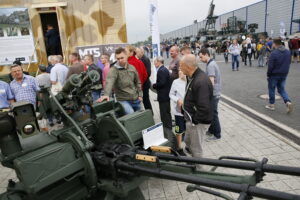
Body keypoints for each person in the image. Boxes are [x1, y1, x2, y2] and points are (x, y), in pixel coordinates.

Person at [179, 54, 213, 166]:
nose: (180, 68)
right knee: (188, 143)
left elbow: (204, 108)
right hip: (192, 121)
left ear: (188, 67)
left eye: (181, 66)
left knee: (196, 150)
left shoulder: (201, 81)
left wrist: (194, 121)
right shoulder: (192, 76)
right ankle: (191, 160)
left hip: (198, 123)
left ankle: (198, 174)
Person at [97, 47, 142, 114]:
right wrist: (106, 94)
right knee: (131, 116)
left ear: (126, 56)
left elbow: (137, 82)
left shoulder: (132, 68)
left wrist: (140, 95)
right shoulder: (113, 70)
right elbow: (109, 81)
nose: (120, 60)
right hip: (123, 100)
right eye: (118, 59)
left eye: (122, 58)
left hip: (135, 99)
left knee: (140, 118)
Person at [153, 56, 177, 150]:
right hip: (165, 95)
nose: (154, 64)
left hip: (163, 95)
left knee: (164, 113)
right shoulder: (164, 69)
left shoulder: (161, 70)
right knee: (166, 112)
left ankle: (167, 130)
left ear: (159, 62)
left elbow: (162, 83)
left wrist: (155, 85)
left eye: (155, 62)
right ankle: (168, 127)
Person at [199, 48, 222, 141]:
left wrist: (206, 94)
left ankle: (217, 134)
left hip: (213, 93)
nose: (200, 59)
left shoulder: (211, 65)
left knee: (213, 114)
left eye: (201, 57)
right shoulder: (211, 63)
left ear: (206, 54)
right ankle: (212, 130)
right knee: (211, 112)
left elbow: (211, 82)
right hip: (215, 93)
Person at [265, 38, 293, 113]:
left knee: (272, 89)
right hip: (284, 74)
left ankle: (271, 105)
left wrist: (268, 74)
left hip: (274, 74)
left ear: (274, 44)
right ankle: (287, 101)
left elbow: (270, 66)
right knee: (281, 89)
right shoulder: (287, 52)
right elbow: (289, 62)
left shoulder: (274, 53)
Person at [169, 70, 186, 150]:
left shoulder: (191, 81)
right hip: (178, 111)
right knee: (178, 130)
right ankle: (178, 147)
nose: (180, 72)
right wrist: (177, 99)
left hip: (189, 111)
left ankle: (188, 145)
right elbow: (171, 94)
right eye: (179, 70)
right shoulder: (175, 82)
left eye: (182, 71)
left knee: (188, 130)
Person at [136, 47, 153, 112]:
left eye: (137, 52)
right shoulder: (141, 59)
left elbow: (148, 73)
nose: (136, 54)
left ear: (142, 52)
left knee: (146, 100)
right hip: (143, 83)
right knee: (145, 100)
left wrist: (142, 81)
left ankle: (150, 114)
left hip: (145, 84)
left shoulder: (145, 59)